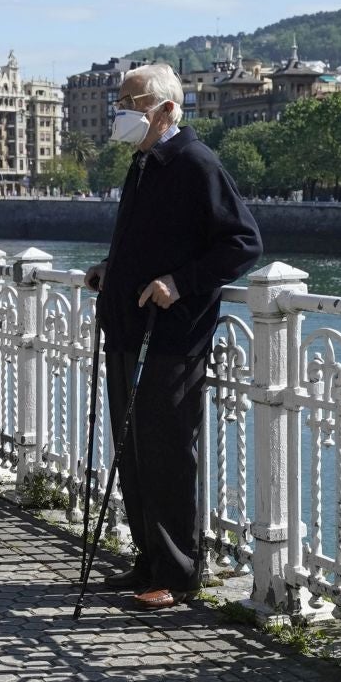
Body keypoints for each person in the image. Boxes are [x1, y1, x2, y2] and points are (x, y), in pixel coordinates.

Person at [84, 64, 262, 610]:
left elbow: (243, 242)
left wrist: (178, 283)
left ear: (163, 108)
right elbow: (148, 240)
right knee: (132, 453)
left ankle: (177, 571)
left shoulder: (194, 162)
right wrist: (111, 268)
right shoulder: (143, 163)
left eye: (128, 101)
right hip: (130, 329)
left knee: (165, 454)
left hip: (171, 336)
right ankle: (147, 561)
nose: (121, 112)